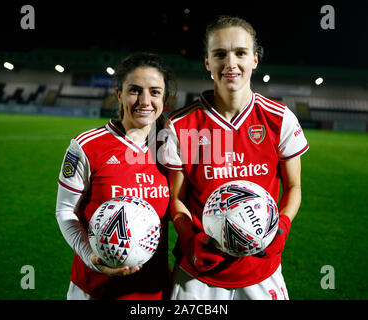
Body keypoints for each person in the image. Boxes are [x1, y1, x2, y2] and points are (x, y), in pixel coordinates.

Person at [163, 15, 309, 300]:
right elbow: (176, 198)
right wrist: (190, 240)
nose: (230, 63)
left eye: (240, 53)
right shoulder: (181, 125)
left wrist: (282, 227)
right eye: (220, 54)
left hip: (262, 271)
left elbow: (294, 188)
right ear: (207, 62)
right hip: (198, 276)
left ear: (255, 59)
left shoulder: (279, 119)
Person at [55, 52, 175, 300]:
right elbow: (65, 211)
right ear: (119, 94)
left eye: (154, 92)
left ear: (164, 97)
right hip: (95, 289)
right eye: (134, 90)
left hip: (153, 290)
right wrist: (92, 259)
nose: (145, 100)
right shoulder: (86, 146)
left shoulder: (172, 150)